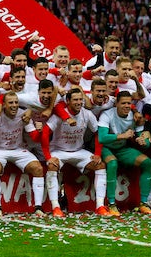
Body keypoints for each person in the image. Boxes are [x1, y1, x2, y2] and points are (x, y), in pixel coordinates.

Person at [41, 88, 110, 217]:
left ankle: (100, 206)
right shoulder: (59, 115)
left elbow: (97, 133)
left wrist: (97, 154)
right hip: (59, 151)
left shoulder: (87, 114)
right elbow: (45, 133)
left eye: (81, 100)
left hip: (78, 151)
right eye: (75, 100)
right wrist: (48, 157)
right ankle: (56, 207)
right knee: (52, 166)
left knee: (100, 165)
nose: (79, 102)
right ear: (68, 101)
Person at [0, 91, 45, 216]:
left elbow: (35, 138)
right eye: (10, 102)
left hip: (18, 149)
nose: (14, 105)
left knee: (38, 168)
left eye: (16, 102)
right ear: (4, 105)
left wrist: (39, 131)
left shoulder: (23, 115)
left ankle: (38, 206)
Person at [98, 91, 151, 215]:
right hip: (107, 148)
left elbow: (143, 138)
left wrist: (143, 141)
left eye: (129, 103)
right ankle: (111, 204)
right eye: (123, 103)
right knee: (112, 164)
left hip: (122, 149)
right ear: (116, 104)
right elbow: (101, 138)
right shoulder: (107, 115)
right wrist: (122, 136)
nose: (126, 106)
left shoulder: (134, 117)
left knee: (147, 162)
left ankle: (144, 203)